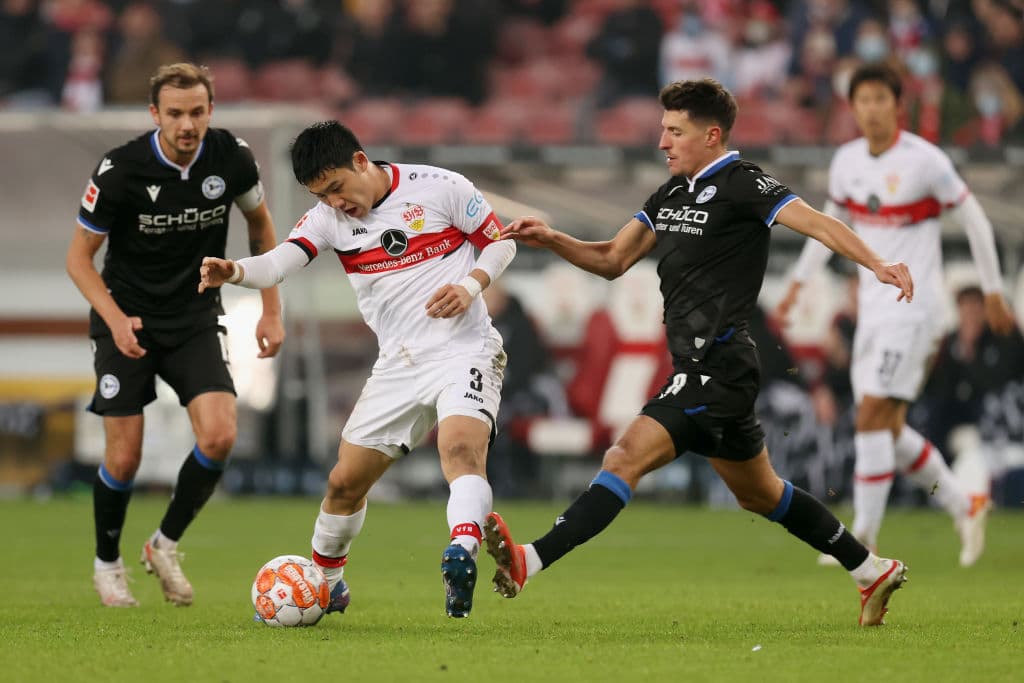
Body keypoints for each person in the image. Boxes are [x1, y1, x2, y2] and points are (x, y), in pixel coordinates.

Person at [485, 77, 914, 627]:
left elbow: (819, 223)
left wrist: (877, 263)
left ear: (712, 135)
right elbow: (614, 259)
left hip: (720, 363)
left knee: (623, 458)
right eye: (662, 130)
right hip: (706, 369)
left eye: (674, 131)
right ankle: (870, 569)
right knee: (762, 495)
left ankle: (529, 560)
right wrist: (552, 238)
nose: (663, 142)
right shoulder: (669, 194)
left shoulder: (743, 183)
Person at [198, 121, 517, 619]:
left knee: (458, 449)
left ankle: (462, 552)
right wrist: (234, 271)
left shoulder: (441, 187)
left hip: (465, 349)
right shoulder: (326, 219)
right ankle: (328, 584)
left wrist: (471, 285)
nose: (335, 202)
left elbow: (501, 242)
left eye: (337, 187)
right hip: (398, 365)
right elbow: (278, 263)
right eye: (321, 195)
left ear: (362, 161)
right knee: (344, 484)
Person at [775, 63, 1016, 568]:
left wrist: (994, 290)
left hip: (915, 309)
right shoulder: (846, 162)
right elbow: (828, 227)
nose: (871, 109)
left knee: (870, 419)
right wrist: (798, 282)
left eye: (880, 99)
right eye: (862, 100)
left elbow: (973, 218)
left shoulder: (925, 162)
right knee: (885, 427)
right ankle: (963, 502)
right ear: (853, 106)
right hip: (873, 312)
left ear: (897, 105)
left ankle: (861, 541)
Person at [66, 63, 285, 608]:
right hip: (127, 320)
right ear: (154, 115)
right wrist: (114, 319)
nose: (187, 125)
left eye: (196, 112)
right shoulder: (121, 169)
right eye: (175, 114)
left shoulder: (231, 157)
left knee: (219, 436)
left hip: (193, 316)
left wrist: (270, 309)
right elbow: (78, 260)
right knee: (124, 459)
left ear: (210, 110)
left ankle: (164, 544)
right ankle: (107, 563)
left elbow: (261, 228)